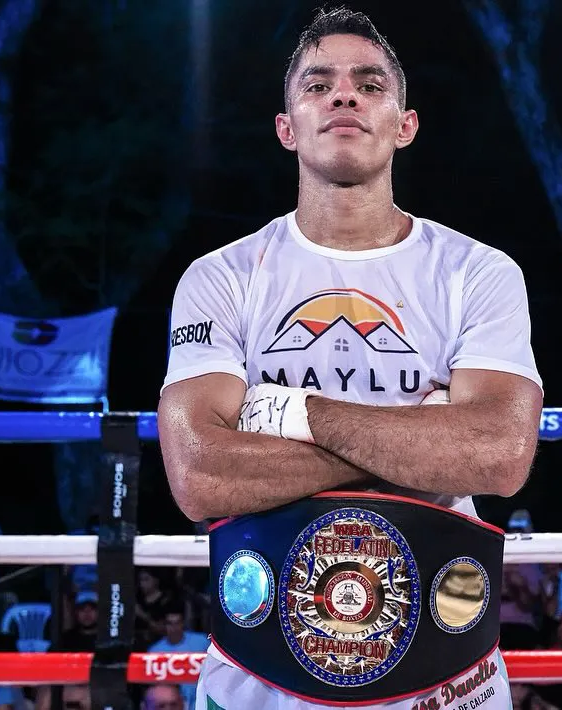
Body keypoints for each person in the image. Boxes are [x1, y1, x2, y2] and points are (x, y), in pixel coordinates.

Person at [158, 6, 542, 710]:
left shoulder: (479, 273)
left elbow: (498, 456)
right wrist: (420, 440)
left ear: (405, 124)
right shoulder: (220, 277)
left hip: (443, 677)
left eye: (369, 84)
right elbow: (199, 474)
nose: (344, 97)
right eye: (318, 85)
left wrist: (293, 414)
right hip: (260, 678)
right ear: (286, 128)